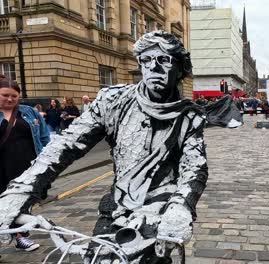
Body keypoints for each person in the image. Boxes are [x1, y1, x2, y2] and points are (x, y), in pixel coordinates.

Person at [0, 31, 208, 263]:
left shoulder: (189, 117)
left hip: (160, 208)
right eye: (147, 61)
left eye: (164, 60)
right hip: (117, 206)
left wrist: (181, 206)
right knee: (98, 256)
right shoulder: (113, 101)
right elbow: (66, 144)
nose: (154, 68)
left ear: (180, 68)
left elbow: (194, 167)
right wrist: (21, 191)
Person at [0, 79, 50, 251]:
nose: (10, 99)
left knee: (22, 202)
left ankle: (20, 236)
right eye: (5, 95)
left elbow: (44, 137)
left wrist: (45, 161)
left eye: (14, 96)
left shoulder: (28, 112)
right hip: (2, 167)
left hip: (26, 166)